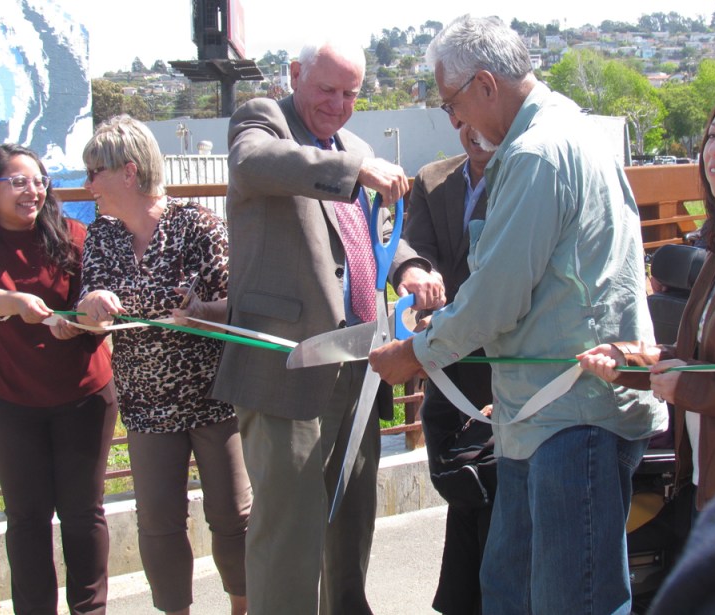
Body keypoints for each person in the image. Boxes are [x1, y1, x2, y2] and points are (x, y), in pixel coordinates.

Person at [369, 15, 668, 615]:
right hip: (543, 414)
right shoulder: (561, 134)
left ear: (485, 84)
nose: (455, 122)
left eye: (452, 104)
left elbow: (498, 294)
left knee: (571, 600)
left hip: (572, 418)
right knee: (508, 592)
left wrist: (416, 354)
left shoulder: (537, 153)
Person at [210, 39, 445, 615]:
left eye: (351, 93)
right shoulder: (263, 121)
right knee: (289, 531)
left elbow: (377, 236)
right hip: (285, 365)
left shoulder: (355, 146)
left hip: (360, 367)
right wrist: (351, 168)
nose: (339, 104)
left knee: (351, 520)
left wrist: (411, 268)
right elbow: (251, 164)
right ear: (294, 74)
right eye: (326, 89)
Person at [76, 115, 251, 615]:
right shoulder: (102, 237)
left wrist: (199, 315)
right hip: (144, 403)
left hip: (212, 398)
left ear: (128, 172)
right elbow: (91, 312)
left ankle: (243, 607)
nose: (88, 184)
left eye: (94, 172)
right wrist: (91, 307)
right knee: (157, 522)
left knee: (231, 516)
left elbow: (235, 307)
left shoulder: (196, 224)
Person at [0, 144, 117, 615]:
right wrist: (18, 302)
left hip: (85, 394)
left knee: (84, 515)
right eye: (19, 182)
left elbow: (99, 302)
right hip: (10, 399)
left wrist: (87, 318)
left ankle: (91, 610)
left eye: (39, 180)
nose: (34, 191)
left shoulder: (75, 235)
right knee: (27, 520)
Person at [579, 87, 715, 515]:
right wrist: (629, 362)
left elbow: (706, 379)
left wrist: (688, 385)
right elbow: (702, 361)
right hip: (711, 488)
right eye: (712, 136)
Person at [404, 121, 496, 615]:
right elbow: (416, 249)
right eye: (459, 118)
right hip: (444, 372)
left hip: (502, 371)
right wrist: (417, 272)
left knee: (493, 502)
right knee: (461, 493)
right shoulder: (432, 178)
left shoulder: (523, 177)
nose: (472, 131)